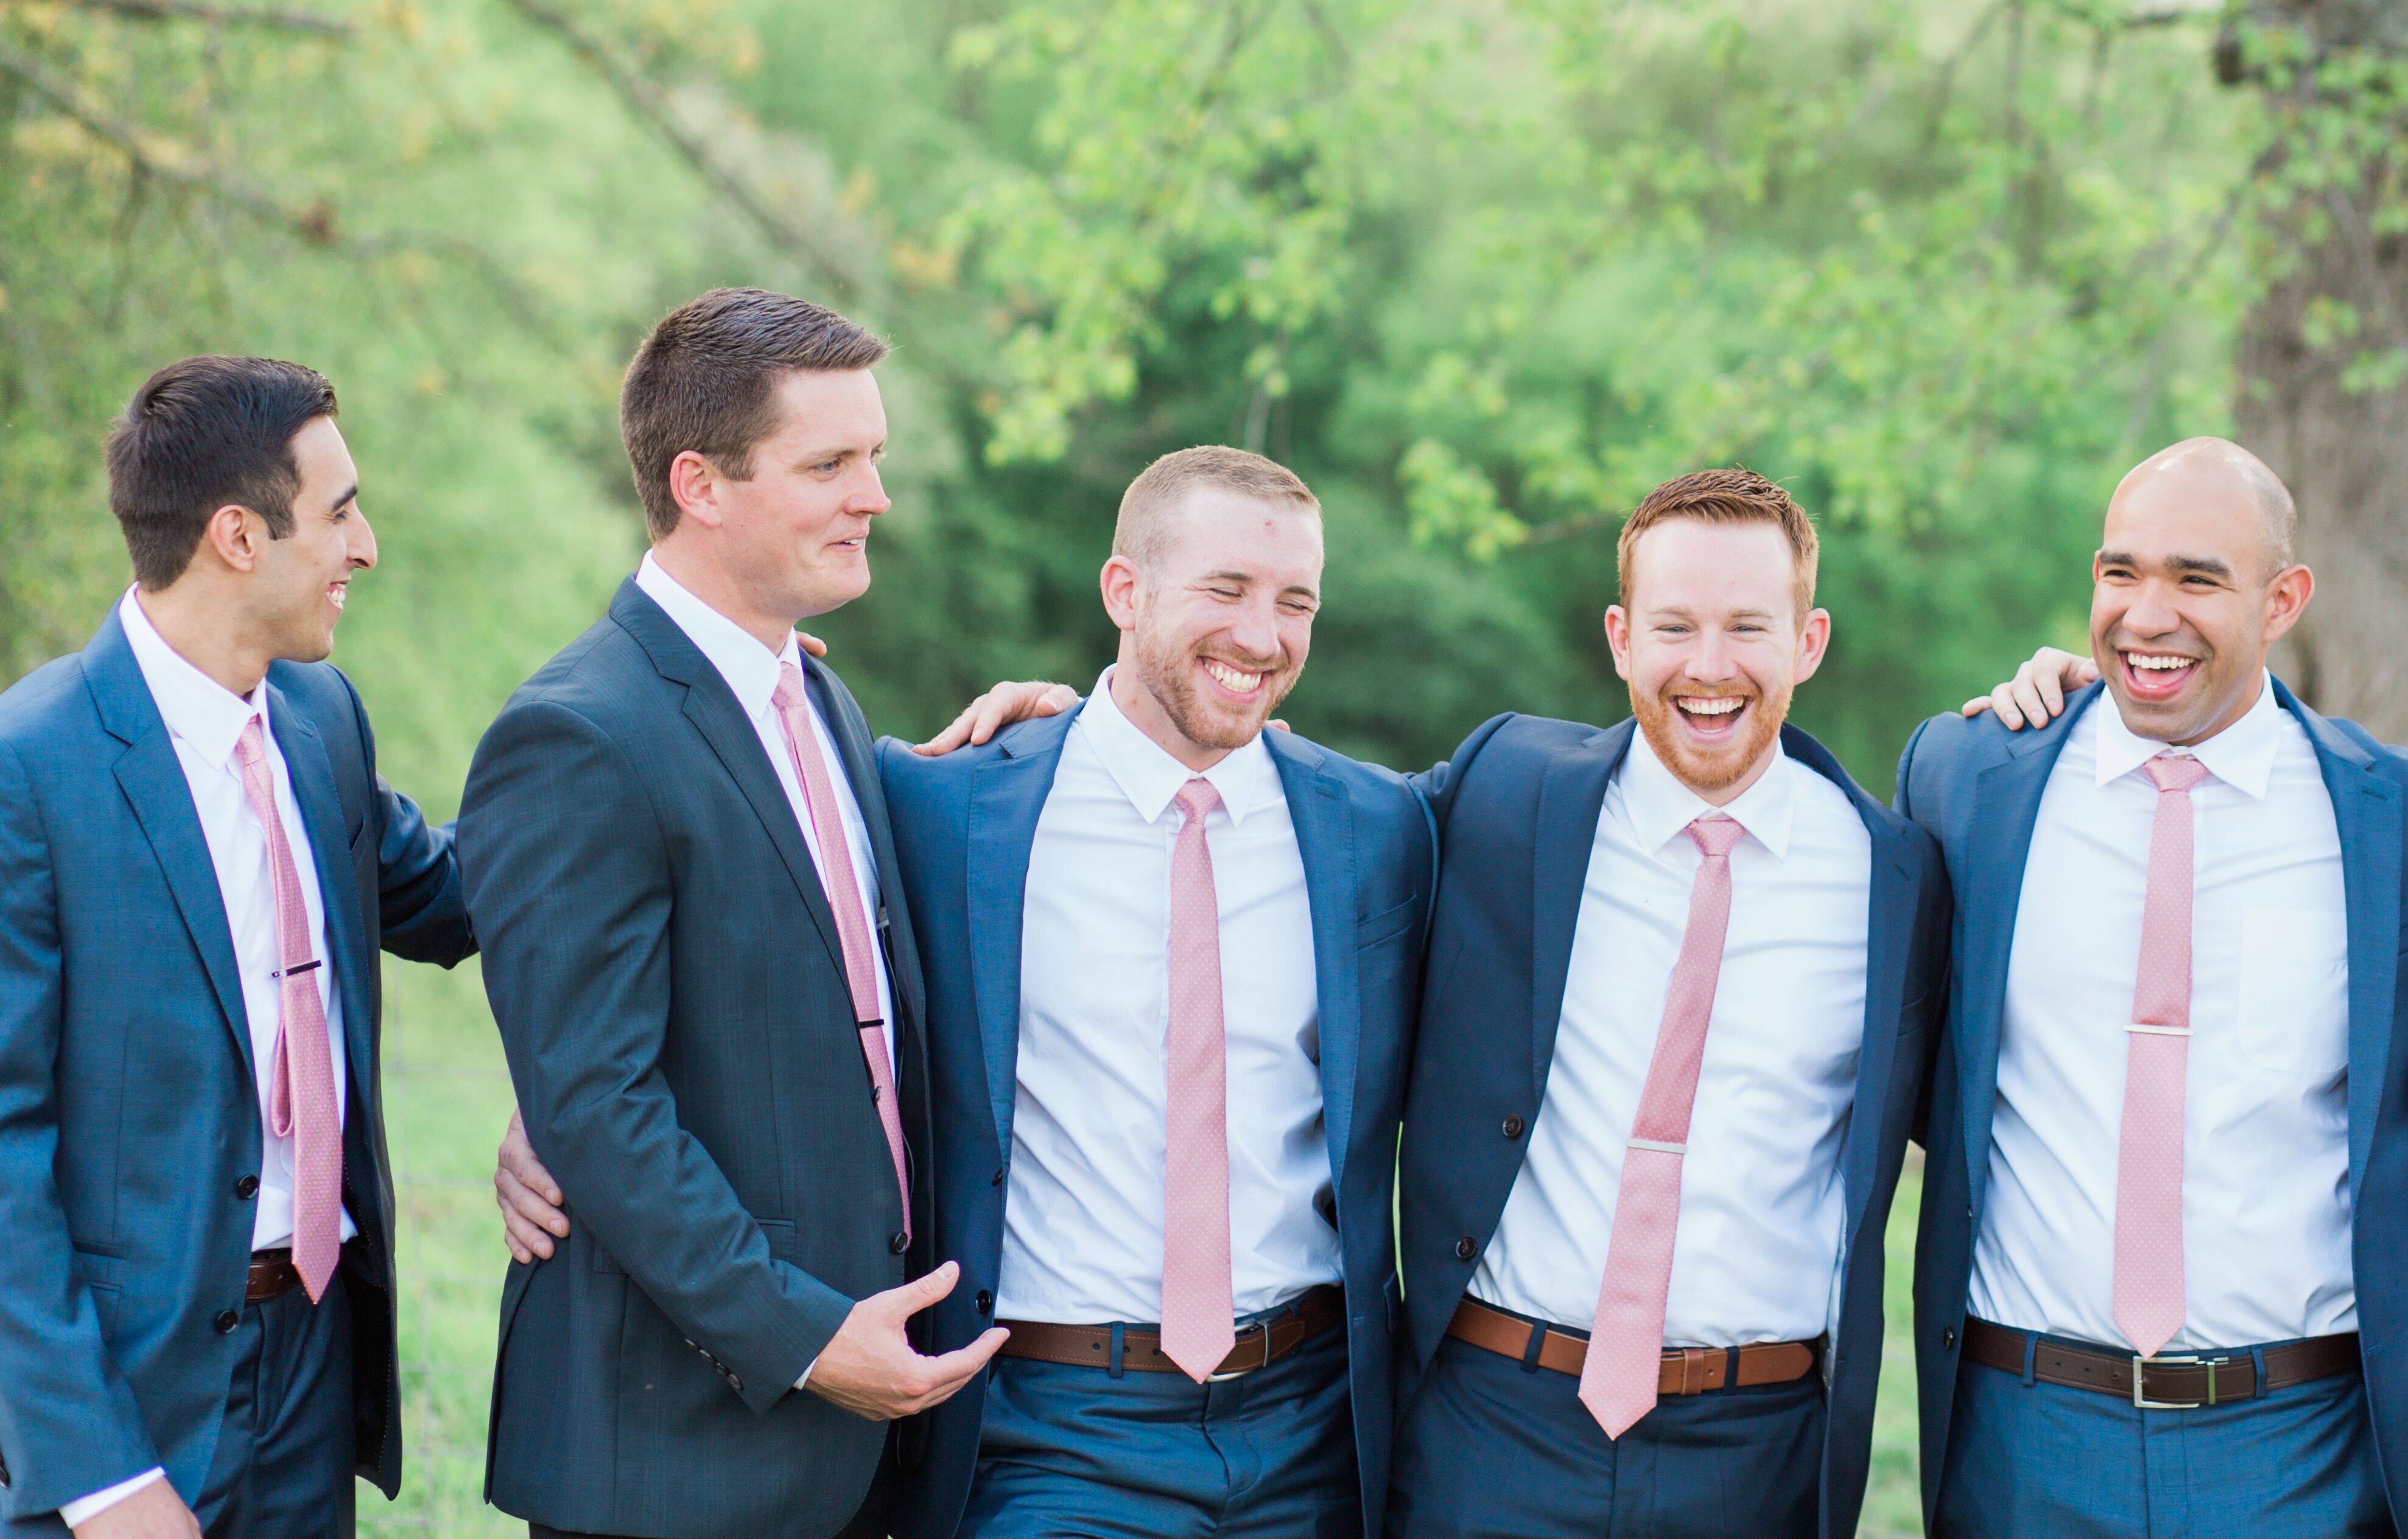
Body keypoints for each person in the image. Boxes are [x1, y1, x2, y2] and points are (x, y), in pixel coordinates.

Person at [457, 289, 998, 1539]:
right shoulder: (578, 733)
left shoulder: (817, 699)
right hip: (680, 1453)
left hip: (864, 1440)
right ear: (701, 484)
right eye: (831, 464)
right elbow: (597, 1105)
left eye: (875, 457)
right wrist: (810, 1341)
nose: (876, 497)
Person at [1906, 437, 2408, 1539]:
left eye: (2197, 579)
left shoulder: (2406, 823)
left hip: (2300, 1442)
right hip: (2025, 1434)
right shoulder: (1969, 777)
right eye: (2121, 574)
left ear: (2282, 600)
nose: (2146, 614)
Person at [1384, 469, 1949, 1539]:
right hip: (1494, 1428)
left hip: (1756, 1453)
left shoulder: (1900, 881)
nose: (1709, 667)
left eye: (1749, 628)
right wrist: (1080, 732)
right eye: (1674, 626)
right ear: (1619, 636)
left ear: (1810, 641)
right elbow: (1300, 828)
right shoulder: (1507, 793)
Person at [882, 446, 1427, 1537]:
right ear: (1124, 593)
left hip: (1311, 1420)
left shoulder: (1378, 829)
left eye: (1295, 602)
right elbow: (755, 957)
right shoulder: (944, 811)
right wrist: (556, 1116)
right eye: (1224, 590)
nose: (1263, 637)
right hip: (1054, 1425)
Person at [0, 357, 472, 1539]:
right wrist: (99, 1477)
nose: (364, 548)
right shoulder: (29, 768)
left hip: (317, 1361)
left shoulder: (321, 723)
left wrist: (690, 732)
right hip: (124, 1394)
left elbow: (462, 894)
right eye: (341, 512)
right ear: (236, 537)